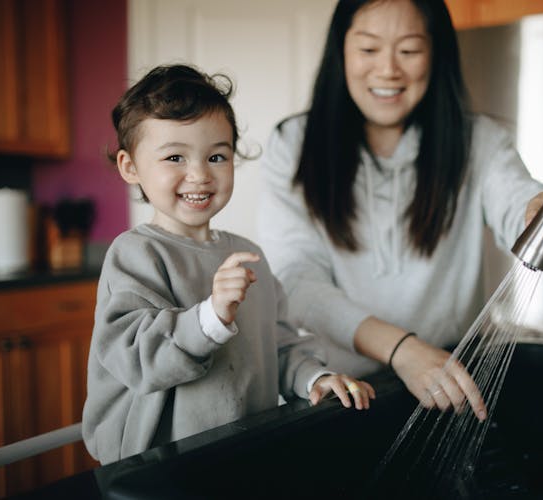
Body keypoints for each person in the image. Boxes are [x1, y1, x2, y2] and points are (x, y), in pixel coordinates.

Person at [258, 0, 543, 418]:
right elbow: (297, 281)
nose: (388, 70)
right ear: (340, 51)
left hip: (449, 381)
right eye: (369, 49)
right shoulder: (293, 145)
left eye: (409, 50)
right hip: (341, 392)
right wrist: (401, 350)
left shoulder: (478, 141)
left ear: (436, 55)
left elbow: (517, 200)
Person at [82, 64, 375, 465]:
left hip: (241, 452)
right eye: (174, 157)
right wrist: (210, 317)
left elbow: (279, 342)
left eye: (217, 156)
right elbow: (136, 361)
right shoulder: (134, 255)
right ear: (130, 167)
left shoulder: (247, 254)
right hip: (158, 468)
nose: (200, 174)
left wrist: (314, 377)